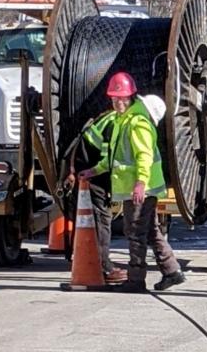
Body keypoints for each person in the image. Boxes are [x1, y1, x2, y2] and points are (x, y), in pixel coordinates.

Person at [89, 70, 184, 294]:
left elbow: (144, 156)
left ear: (131, 97)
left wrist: (140, 183)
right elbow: (114, 157)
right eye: (114, 98)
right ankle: (172, 271)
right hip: (138, 188)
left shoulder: (137, 124)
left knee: (135, 232)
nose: (117, 102)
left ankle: (136, 279)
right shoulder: (123, 121)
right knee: (150, 231)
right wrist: (93, 170)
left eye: (121, 98)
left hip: (140, 189)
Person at [63, 102, 127, 284]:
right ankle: (103, 268)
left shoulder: (108, 117)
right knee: (100, 221)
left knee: (92, 221)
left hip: (86, 169)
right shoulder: (114, 124)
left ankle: (92, 263)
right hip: (91, 174)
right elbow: (108, 160)